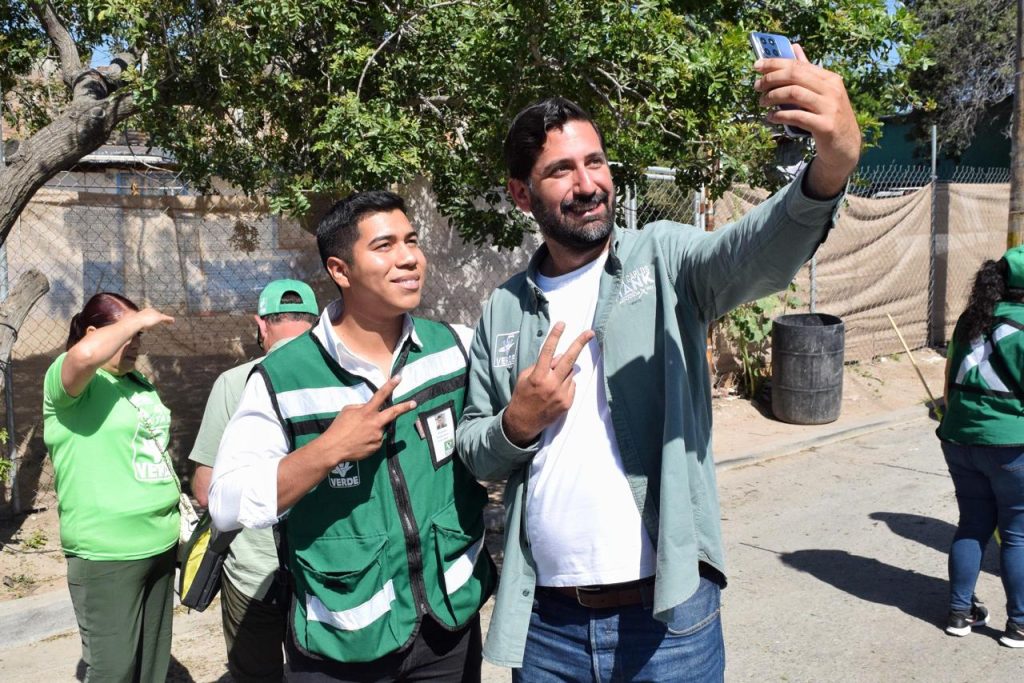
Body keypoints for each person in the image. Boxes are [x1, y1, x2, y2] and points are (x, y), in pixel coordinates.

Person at [456, 46, 861, 680]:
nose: (588, 184)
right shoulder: (504, 308)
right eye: (561, 170)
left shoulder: (665, 259)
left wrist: (830, 167)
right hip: (547, 627)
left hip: (668, 619)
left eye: (595, 162)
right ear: (520, 193)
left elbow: (757, 252)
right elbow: (475, 449)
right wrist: (518, 422)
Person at [209, 190, 496, 681]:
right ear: (340, 271)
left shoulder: (455, 349)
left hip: (447, 623)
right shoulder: (284, 377)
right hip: (341, 639)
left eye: (411, 240)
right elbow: (226, 501)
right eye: (384, 246)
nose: (409, 258)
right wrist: (327, 450)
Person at [189, 279, 320, 682]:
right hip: (328, 567)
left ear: (261, 325)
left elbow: (205, 486)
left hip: (254, 570)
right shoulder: (342, 377)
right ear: (315, 324)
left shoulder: (235, 382)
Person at [42, 292, 177, 682]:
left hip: (160, 544)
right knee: (113, 670)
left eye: (139, 336)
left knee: (151, 667)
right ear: (92, 333)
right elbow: (84, 357)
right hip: (107, 554)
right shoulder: (68, 384)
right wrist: (137, 320)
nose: (135, 342)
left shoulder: (137, 383)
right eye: (126, 334)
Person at [937, 245, 1024, 648]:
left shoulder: (970, 320)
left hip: (957, 436)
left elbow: (948, 383)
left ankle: (959, 612)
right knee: (1017, 533)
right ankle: (1019, 624)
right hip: (1010, 443)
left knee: (972, 523)